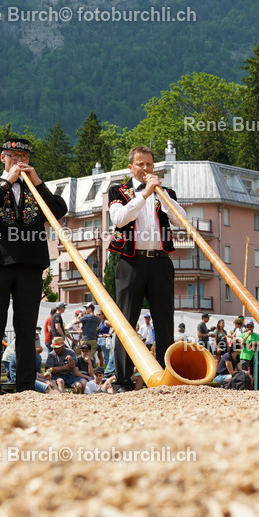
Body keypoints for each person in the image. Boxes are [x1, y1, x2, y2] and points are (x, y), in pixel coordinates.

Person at [0, 137, 68, 395]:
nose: (19, 161)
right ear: (3, 158)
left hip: (30, 265)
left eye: (23, 157)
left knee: (27, 328)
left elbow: (59, 210)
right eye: (13, 156)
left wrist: (37, 181)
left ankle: (26, 385)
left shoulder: (35, 190)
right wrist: (8, 181)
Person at [108, 145, 186, 393]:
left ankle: (166, 377)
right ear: (130, 167)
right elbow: (119, 219)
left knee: (164, 321)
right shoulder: (117, 190)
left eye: (149, 165)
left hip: (161, 262)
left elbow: (181, 219)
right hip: (131, 261)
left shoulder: (166, 192)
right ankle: (122, 381)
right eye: (140, 164)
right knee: (126, 322)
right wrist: (143, 195)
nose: (144, 169)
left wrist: (161, 195)